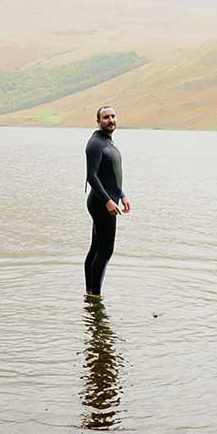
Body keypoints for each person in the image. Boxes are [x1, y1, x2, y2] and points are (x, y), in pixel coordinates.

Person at [84, 105, 131, 298]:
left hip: (108, 200)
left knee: (96, 248)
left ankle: (89, 292)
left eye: (113, 116)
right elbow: (92, 176)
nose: (110, 120)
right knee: (105, 251)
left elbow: (111, 175)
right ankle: (95, 296)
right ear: (98, 121)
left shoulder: (107, 142)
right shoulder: (95, 143)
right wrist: (108, 201)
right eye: (105, 117)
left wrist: (122, 195)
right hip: (101, 203)